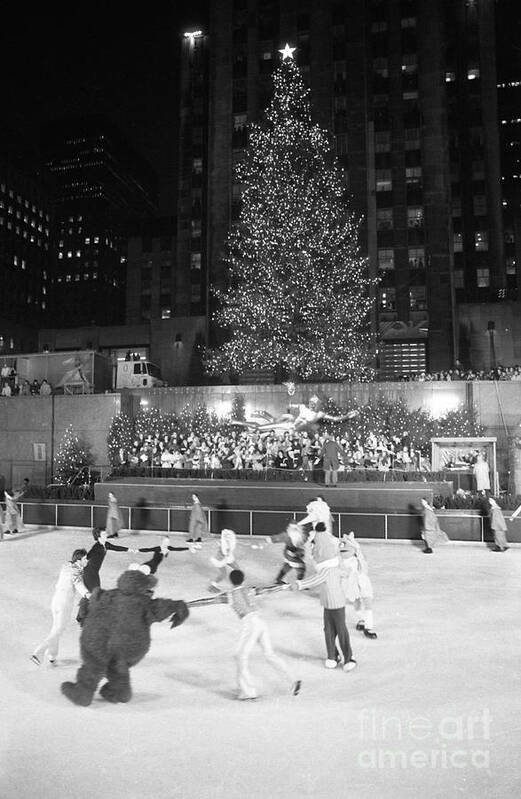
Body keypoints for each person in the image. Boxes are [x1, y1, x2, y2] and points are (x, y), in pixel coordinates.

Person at [188, 569, 301, 700]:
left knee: (240, 656)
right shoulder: (250, 590)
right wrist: (285, 586)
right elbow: (269, 590)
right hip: (261, 622)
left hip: (250, 625)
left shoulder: (229, 596)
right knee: (270, 655)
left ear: (231, 581)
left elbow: (207, 601)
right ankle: (293, 680)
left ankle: (249, 692)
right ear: (243, 579)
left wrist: (187, 605)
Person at [292, 522, 356, 671]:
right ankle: (332, 656)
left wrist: (299, 584)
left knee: (341, 630)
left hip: (337, 604)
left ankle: (348, 657)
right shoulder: (330, 567)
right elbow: (343, 572)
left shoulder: (328, 569)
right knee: (328, 631)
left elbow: (316, 579)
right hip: (327, 603)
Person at [31, 548, 90, 665]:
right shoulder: (75, 572)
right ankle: (38, 652)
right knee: (58, 630)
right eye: (85, 559)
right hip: (65, 604)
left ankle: (52, 655)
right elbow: (79, 585)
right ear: (79, 560)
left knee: (56, 628)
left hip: (55, 600)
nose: (87, 560)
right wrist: (89, 595)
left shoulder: (66, 566)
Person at [339, 532, 377, 639]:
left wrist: (356, 547)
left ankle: (369, 627)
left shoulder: (358, 559)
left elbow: (363, 564)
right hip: (351, 585)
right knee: (356, 603)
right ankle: (361, 619)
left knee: (367, 603)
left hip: (363, 583)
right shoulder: (340, 561)